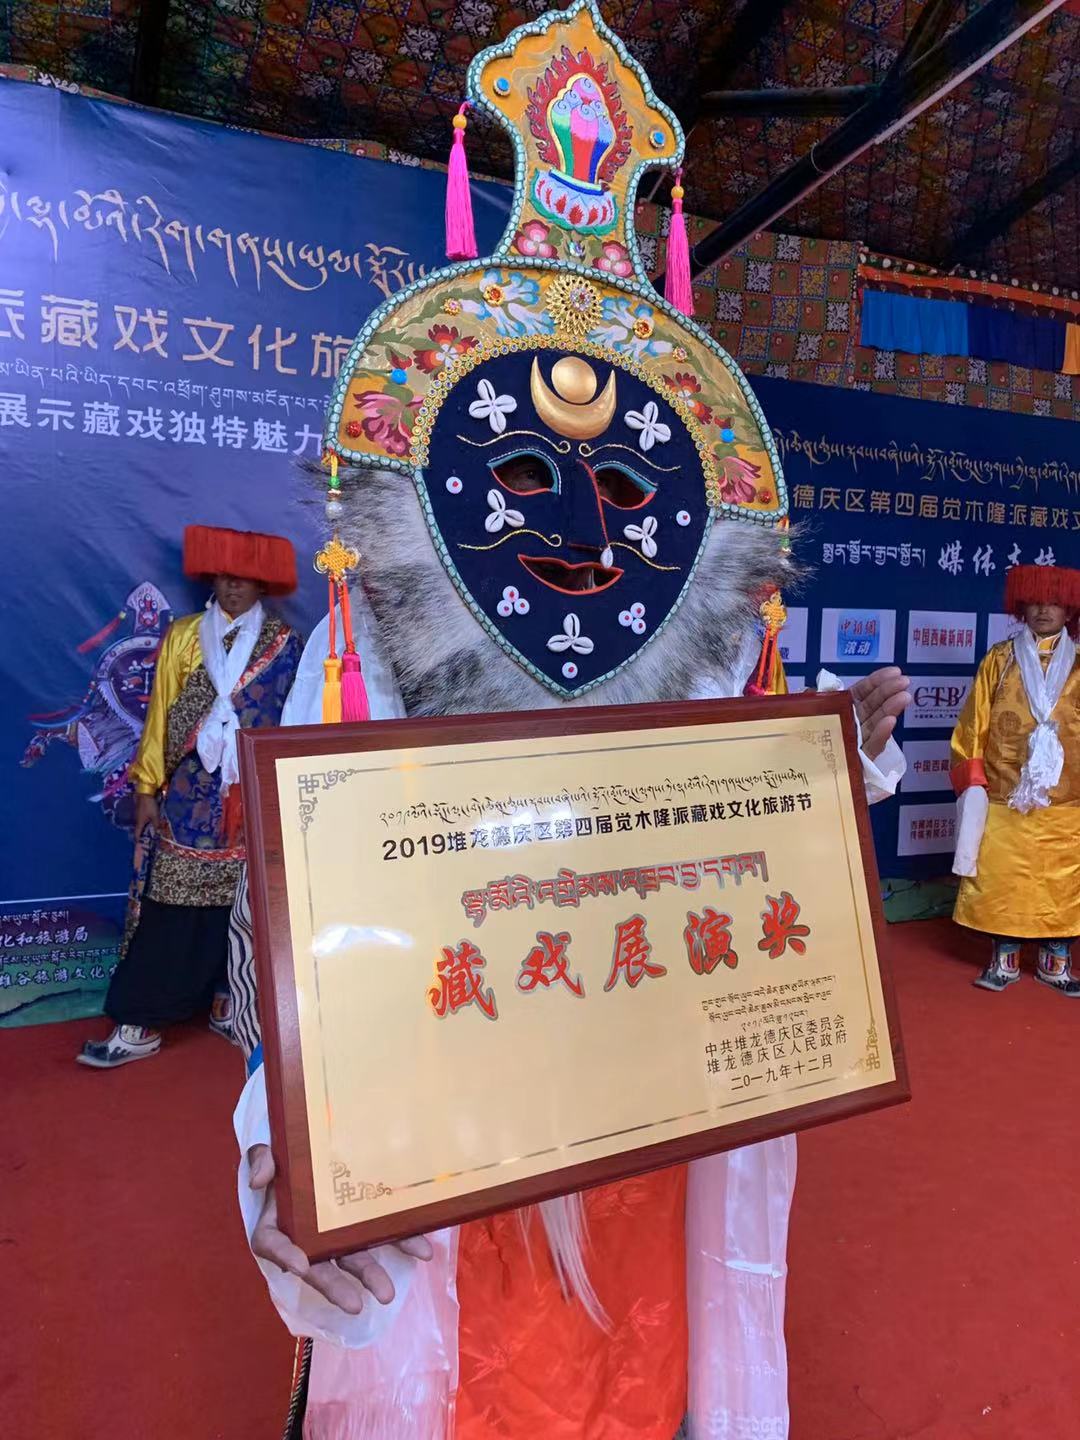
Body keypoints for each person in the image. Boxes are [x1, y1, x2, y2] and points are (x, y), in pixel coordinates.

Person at [228, 6, 910, 1435]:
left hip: (651, 1134)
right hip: (450, 1128)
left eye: (628, 490)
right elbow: (308, 930)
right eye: (530, 477)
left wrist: (818, 774)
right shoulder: (374, 640)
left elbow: (751, 870)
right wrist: (288, 1142)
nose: (587, 530)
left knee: (649, 1373)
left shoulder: (708, 654)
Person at [77, 525, 303, 1069]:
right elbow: (159, 715)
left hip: (249, 796)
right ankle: (142, 1019)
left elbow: (291, 719)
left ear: (262, 585)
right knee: (171, 903)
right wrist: (147, 787)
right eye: (224, 577)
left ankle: (229, 1000)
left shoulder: (285, 645)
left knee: (242, 905)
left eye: (243, 579)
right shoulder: (183, 636)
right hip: (188, 793)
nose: (232, 588)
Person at [951, 562, 1080, 995]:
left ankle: (1055, 963)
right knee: (1003, 880)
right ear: (1021, 608)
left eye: (1054, 603)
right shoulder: (1000, 660)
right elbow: (974, 724)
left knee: (1064, 884)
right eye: (1036, 603)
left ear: (1069, 611)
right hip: (1005, 793)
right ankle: (1003, 961)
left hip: (1068, 801)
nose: (1044, 611)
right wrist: (973, 781)